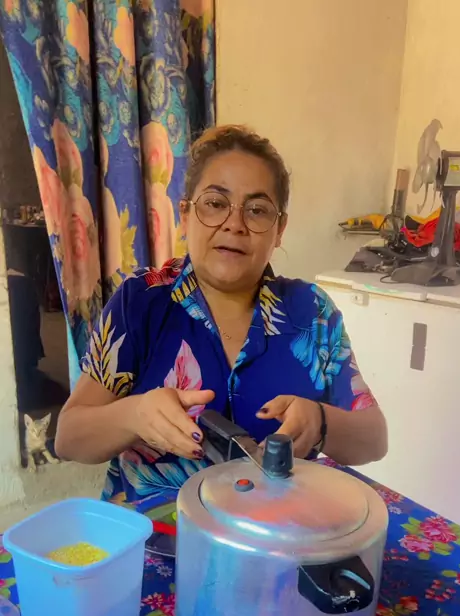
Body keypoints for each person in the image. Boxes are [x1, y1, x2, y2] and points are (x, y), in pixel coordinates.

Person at [55, 125, 387, 513]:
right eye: (215, 203)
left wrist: (320, 421)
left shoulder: (311, 313)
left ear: (279, 230)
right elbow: (69, 438)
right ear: (185, 216)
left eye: (257, 210)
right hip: (156, 536)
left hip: (276, 534)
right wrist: (135, 415)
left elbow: (374, 439)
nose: (235, 224)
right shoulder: (141, 301)